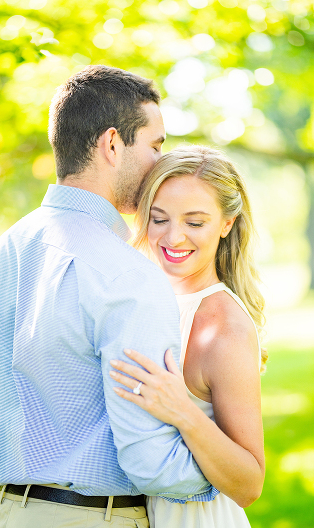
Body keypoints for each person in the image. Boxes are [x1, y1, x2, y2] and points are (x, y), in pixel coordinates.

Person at [0, 65, 217, 528]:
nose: (160, 162)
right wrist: (228, 476)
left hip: (0, 514)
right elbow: (152, 464)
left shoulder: (3, 249)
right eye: (155, 145)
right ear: (111, 144)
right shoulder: (125, 274)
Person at [109, 146, 265, 526]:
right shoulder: (143, 299)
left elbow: (249, 484)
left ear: (226, 224)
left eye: (195, 223)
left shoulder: (223, 325)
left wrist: (183, 411)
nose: (173, 237)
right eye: (159, 218)